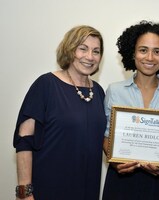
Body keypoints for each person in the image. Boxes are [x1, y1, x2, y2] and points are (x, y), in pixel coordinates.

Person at [13, 25, 106, 200]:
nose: (90, 57)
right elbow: (24, 140)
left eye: (96, 51)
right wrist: (25, 193)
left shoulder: (99, 92)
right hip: (49, 187)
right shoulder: (46, 85)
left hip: (88, 188)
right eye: (83, 49)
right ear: (70, 50)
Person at [102, 20, 159, 200]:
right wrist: (116, 162)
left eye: (157, 52)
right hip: (119, 179)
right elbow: (106, 135)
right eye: (143, 50)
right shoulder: (114, 90)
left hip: (156, 181)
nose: (150, 57)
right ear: (132, 53)